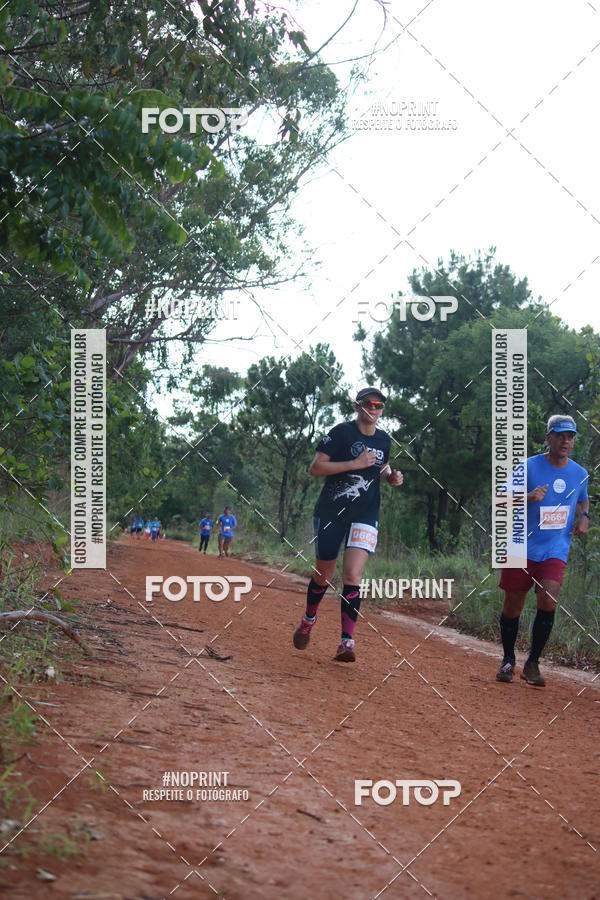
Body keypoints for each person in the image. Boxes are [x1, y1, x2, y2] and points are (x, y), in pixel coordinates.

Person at [293, 387, 404, 663]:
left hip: (366, 514)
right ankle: (308, 619)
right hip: (332, 512)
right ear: (358, 407)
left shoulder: (383, 439)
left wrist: (390, 477)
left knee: (352, 575)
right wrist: (354, 463)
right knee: (324, 574)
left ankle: (346, 642)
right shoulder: (341, 433)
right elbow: (316, 467)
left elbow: (382, 466)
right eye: (369, 404)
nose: (374, 409)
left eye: (379, 406)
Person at [496, 414, 589, 687]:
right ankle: (508, 659)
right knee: (513, 606)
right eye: (560, 435)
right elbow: (501, 500)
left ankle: (532, 663)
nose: (565, 440)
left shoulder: (579, 474)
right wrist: (528, 497)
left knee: (548, 599)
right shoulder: (528, 467)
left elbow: (583, 502)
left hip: (555, 548)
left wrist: (585, 518)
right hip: (520, 544)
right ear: (548, 438)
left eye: (570, 436)